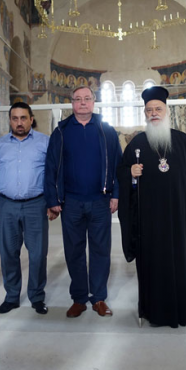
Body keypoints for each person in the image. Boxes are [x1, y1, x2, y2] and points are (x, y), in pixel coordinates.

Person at [117, 86, 186, 328]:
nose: (153, 113)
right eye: (149, 110)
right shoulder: (137, 144)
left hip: (181, 221)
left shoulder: (183, 142)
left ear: (166, 111)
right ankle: (155, 312)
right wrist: (130, 173)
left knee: (183, 265)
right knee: (153, 267)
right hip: (149, 223)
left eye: (158, 109)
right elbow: (122, 176)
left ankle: (185, 310)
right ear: (145, 114)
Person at [44, 86, 122, 318]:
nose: (83, 102)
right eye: (78, 99)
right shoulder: (61, 131)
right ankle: (79, 298)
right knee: (74, 251)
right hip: (71, 203)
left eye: (87, 98)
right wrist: (53, 199)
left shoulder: (106, 130)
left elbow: (118, 165)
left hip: (100, 200)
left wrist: (116, 194)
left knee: (100, 250)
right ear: (72, 103)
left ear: (94, 102)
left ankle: (98, 298)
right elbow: (50, 167)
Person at [0, 102, 53, 315]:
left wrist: (53, 202)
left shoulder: (45, 142)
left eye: (23, 118)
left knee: (38, 254)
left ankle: (37, 297)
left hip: (36, 204)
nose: (19, 122)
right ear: (10, 120)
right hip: (6, 205)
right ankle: (12, 297)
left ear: (31, 119)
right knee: (8, 253)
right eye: (15, 118)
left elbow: (52, 175)